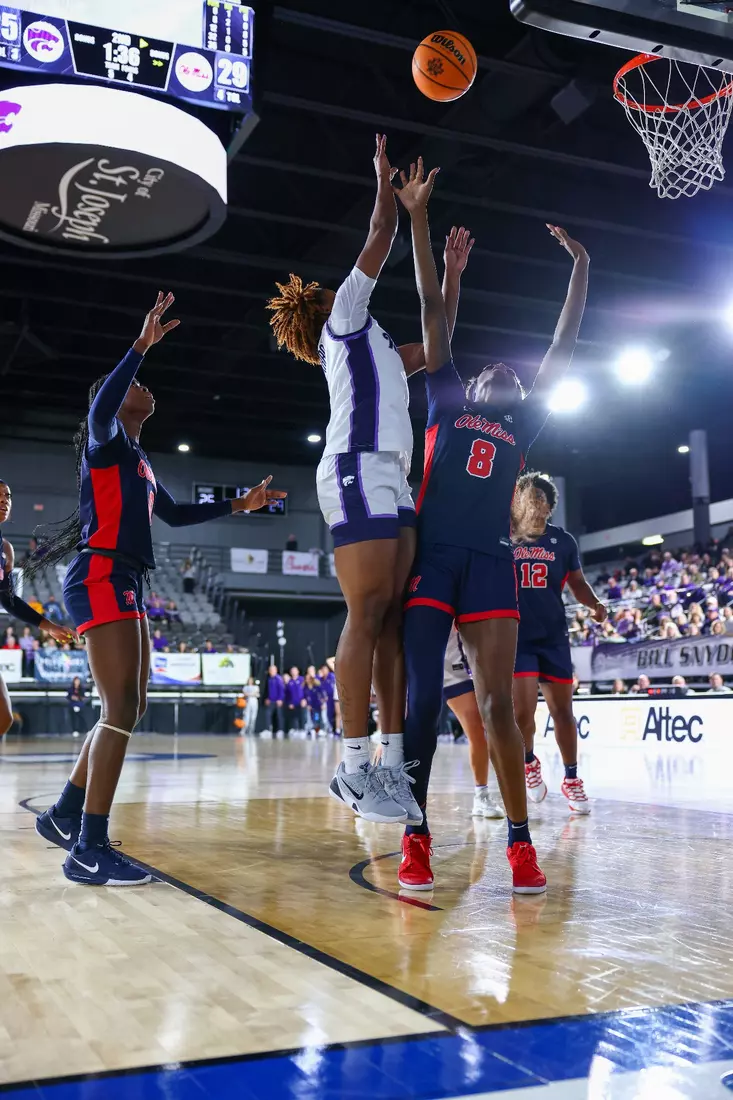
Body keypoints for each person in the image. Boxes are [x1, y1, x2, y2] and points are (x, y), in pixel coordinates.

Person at [32, 293, 285, 886]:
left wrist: (240, 504)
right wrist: (139, 347)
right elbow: (101, 405)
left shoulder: (138, 458)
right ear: (118, 401)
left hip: (127, 579)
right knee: (119, 708)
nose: (148, 388)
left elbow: (172, 514)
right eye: (137, 384)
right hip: (99, 575)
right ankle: (88, 848)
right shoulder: (106, 438)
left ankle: (65, 816)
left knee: (132, 707)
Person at [396, 156, 589, 892]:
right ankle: (415, 835)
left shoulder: (524, 425)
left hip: (490, 563)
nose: (506, 369)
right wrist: (416, 218)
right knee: (421, 705)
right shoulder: (446, 400)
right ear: (471, 384)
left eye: (512, 373)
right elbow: (430, 311)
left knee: (501, 712)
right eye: (491, 370)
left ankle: (519, 844)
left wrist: (579, 268)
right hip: (434, 558)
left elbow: (561, 347)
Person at [268, 136, 472, 825]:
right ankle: (350, 765)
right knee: (367, 610)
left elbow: (438, 348)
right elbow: (379, 233)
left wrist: (449, 275)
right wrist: (388, 190)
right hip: (354, 468)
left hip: (392, 475)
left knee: (392, 620)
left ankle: (388, 762)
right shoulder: (345, 322)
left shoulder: (379, 343)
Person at [510, 472, 606, 814]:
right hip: (517, 638)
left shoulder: (563, 542)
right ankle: (528, 762)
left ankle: (571, 778)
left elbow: (578, 584)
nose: (532, 503)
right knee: (522, 714)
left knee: (563, 712)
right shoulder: (505, 537)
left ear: (550, 506)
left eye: (539, 498)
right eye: (526, 497)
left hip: (553, 637)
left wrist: (594, 603)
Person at [0, 480, 76, 735]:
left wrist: (50, 627)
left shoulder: (6, 550)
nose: (4, 500)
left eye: (8, 496)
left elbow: (9, 599)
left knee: (3, 717)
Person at [442, 625, 504, 818]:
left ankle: (481, 795)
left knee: (476, 729)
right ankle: (377, 786)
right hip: (421, 655)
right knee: (398, 728)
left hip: (455, 663)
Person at [265, 664, 285, 732]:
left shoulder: (278, 679)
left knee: (279, 716)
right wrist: (267, 698)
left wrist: (280, 699)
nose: (271, 671)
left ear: (276, 671)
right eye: (270, 670)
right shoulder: (269, 679)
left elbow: (281, 690)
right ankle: (268, 729)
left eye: (273, 670)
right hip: (271, 700)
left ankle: (280, 730)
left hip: (277, 700)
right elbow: (268, 690)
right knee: (268, 715)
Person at [285, 665, 305, 731]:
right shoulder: (289, 682)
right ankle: (294, 729)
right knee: (294, 717)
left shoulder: (302, 680)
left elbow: (305, 690)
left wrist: (304, 699)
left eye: (295, 670)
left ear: (298, 671)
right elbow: (287, 694)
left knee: (302, 716)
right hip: (293, 703)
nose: (293, 672)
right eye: (292, 671)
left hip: (301, 702)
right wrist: (289, 703)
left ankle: (302, 729)